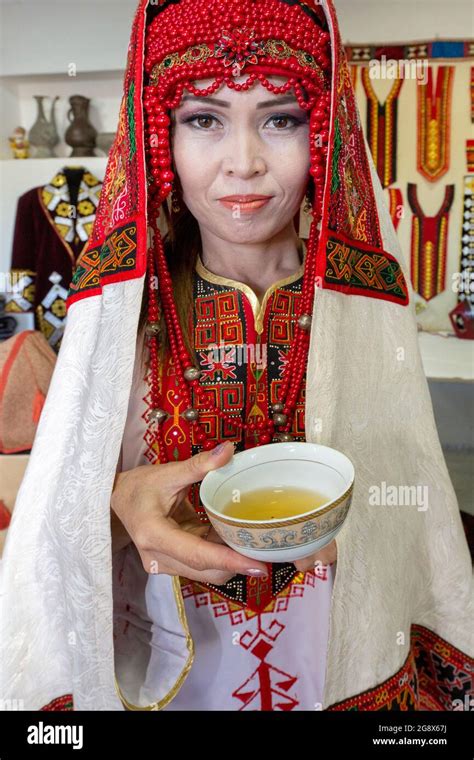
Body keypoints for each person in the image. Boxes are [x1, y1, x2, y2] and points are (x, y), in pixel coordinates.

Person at [1, 0, 472, 712]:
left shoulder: (364, 299)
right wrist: (115, 503)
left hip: (341, 660)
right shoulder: (123, 313)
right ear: (160, 134)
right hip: (172, 672)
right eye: (204, 119)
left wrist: (368, 528)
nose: (244, 164)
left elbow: (415, 501)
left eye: (280, 118)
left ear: (323, 131)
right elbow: (47, 537)